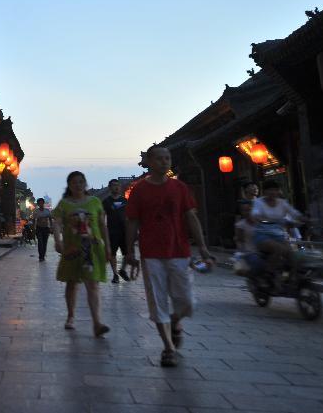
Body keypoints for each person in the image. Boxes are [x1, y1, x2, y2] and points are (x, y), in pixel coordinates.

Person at [125, 146, 213, 368]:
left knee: (186, 301)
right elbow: (133, 222)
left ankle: (175, 320)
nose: (164, 162)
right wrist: (129, 251)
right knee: (157, 301)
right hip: (151, 253)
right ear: (149, 162)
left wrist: (202, 247)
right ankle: (168, 348)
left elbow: (191, 217)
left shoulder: (179, 188)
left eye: (167, 158)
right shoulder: (139, 190)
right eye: (159, 158)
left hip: (179, 250)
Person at [52, 171, 112, 336]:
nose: (78, 185)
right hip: (72, 249)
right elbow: (56, 223)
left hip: (92, 249)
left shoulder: (95, 202)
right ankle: (71, 316)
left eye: (80, 182)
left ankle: (97, 322)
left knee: (93, 284)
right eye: (74, 182)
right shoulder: (64, 204)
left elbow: (102, 226)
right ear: (69, 186)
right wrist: (57, 240)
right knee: (72, 283)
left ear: (85, 183)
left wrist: (108, 247)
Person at [251, 179, 305, 282]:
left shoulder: (282, 203)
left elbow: (294, 213)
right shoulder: (259, 202)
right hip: (262, 235)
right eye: (270, 190)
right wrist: (259, 218)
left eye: (275, 190)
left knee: (292, 253)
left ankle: (288, 277)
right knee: (278, 249)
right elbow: (255, 213)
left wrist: (304, 219)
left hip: (279, 235)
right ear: (264, 191)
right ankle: (268, 274)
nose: (273, 192)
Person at [102, 179, 130, 283]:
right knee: (112, 254)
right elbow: (102, 217)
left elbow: (129, 215)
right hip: (112, 231)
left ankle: (123, 270)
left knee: (128, 253)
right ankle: (115, 274)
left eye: (118, 185)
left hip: (124, 231)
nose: (116, 187)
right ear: (110, 187)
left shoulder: (125, 201)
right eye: (114, 185)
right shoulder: (106, 202)